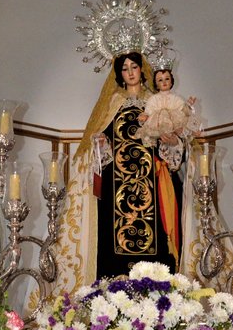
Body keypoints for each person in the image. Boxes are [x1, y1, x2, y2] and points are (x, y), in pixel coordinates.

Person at [53, 51, 185, 294]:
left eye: (134, 66)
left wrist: (171, 140)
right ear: (119, 74)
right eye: (125, 68)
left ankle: (158, 291)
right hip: (117, 185)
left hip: (152, 183)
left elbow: (172, 149)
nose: (131, 72)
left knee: (156, 235)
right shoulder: (113, 103)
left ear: (142, 69)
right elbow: (98, 142)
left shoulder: (156, 101)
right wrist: (101, 143)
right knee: (112, 237)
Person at [134, 68, 200, 148]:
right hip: (158, 125)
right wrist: (145, 116)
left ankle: (182, 137)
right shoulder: (153, 99)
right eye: (160, 80)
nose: (164, 82)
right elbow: (149, 111)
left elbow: (183, 111)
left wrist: (189, 104)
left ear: (171, 81)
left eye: (167, 79)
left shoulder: (176, 98)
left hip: (174, 126)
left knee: (183, 127)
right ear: (156, 84)